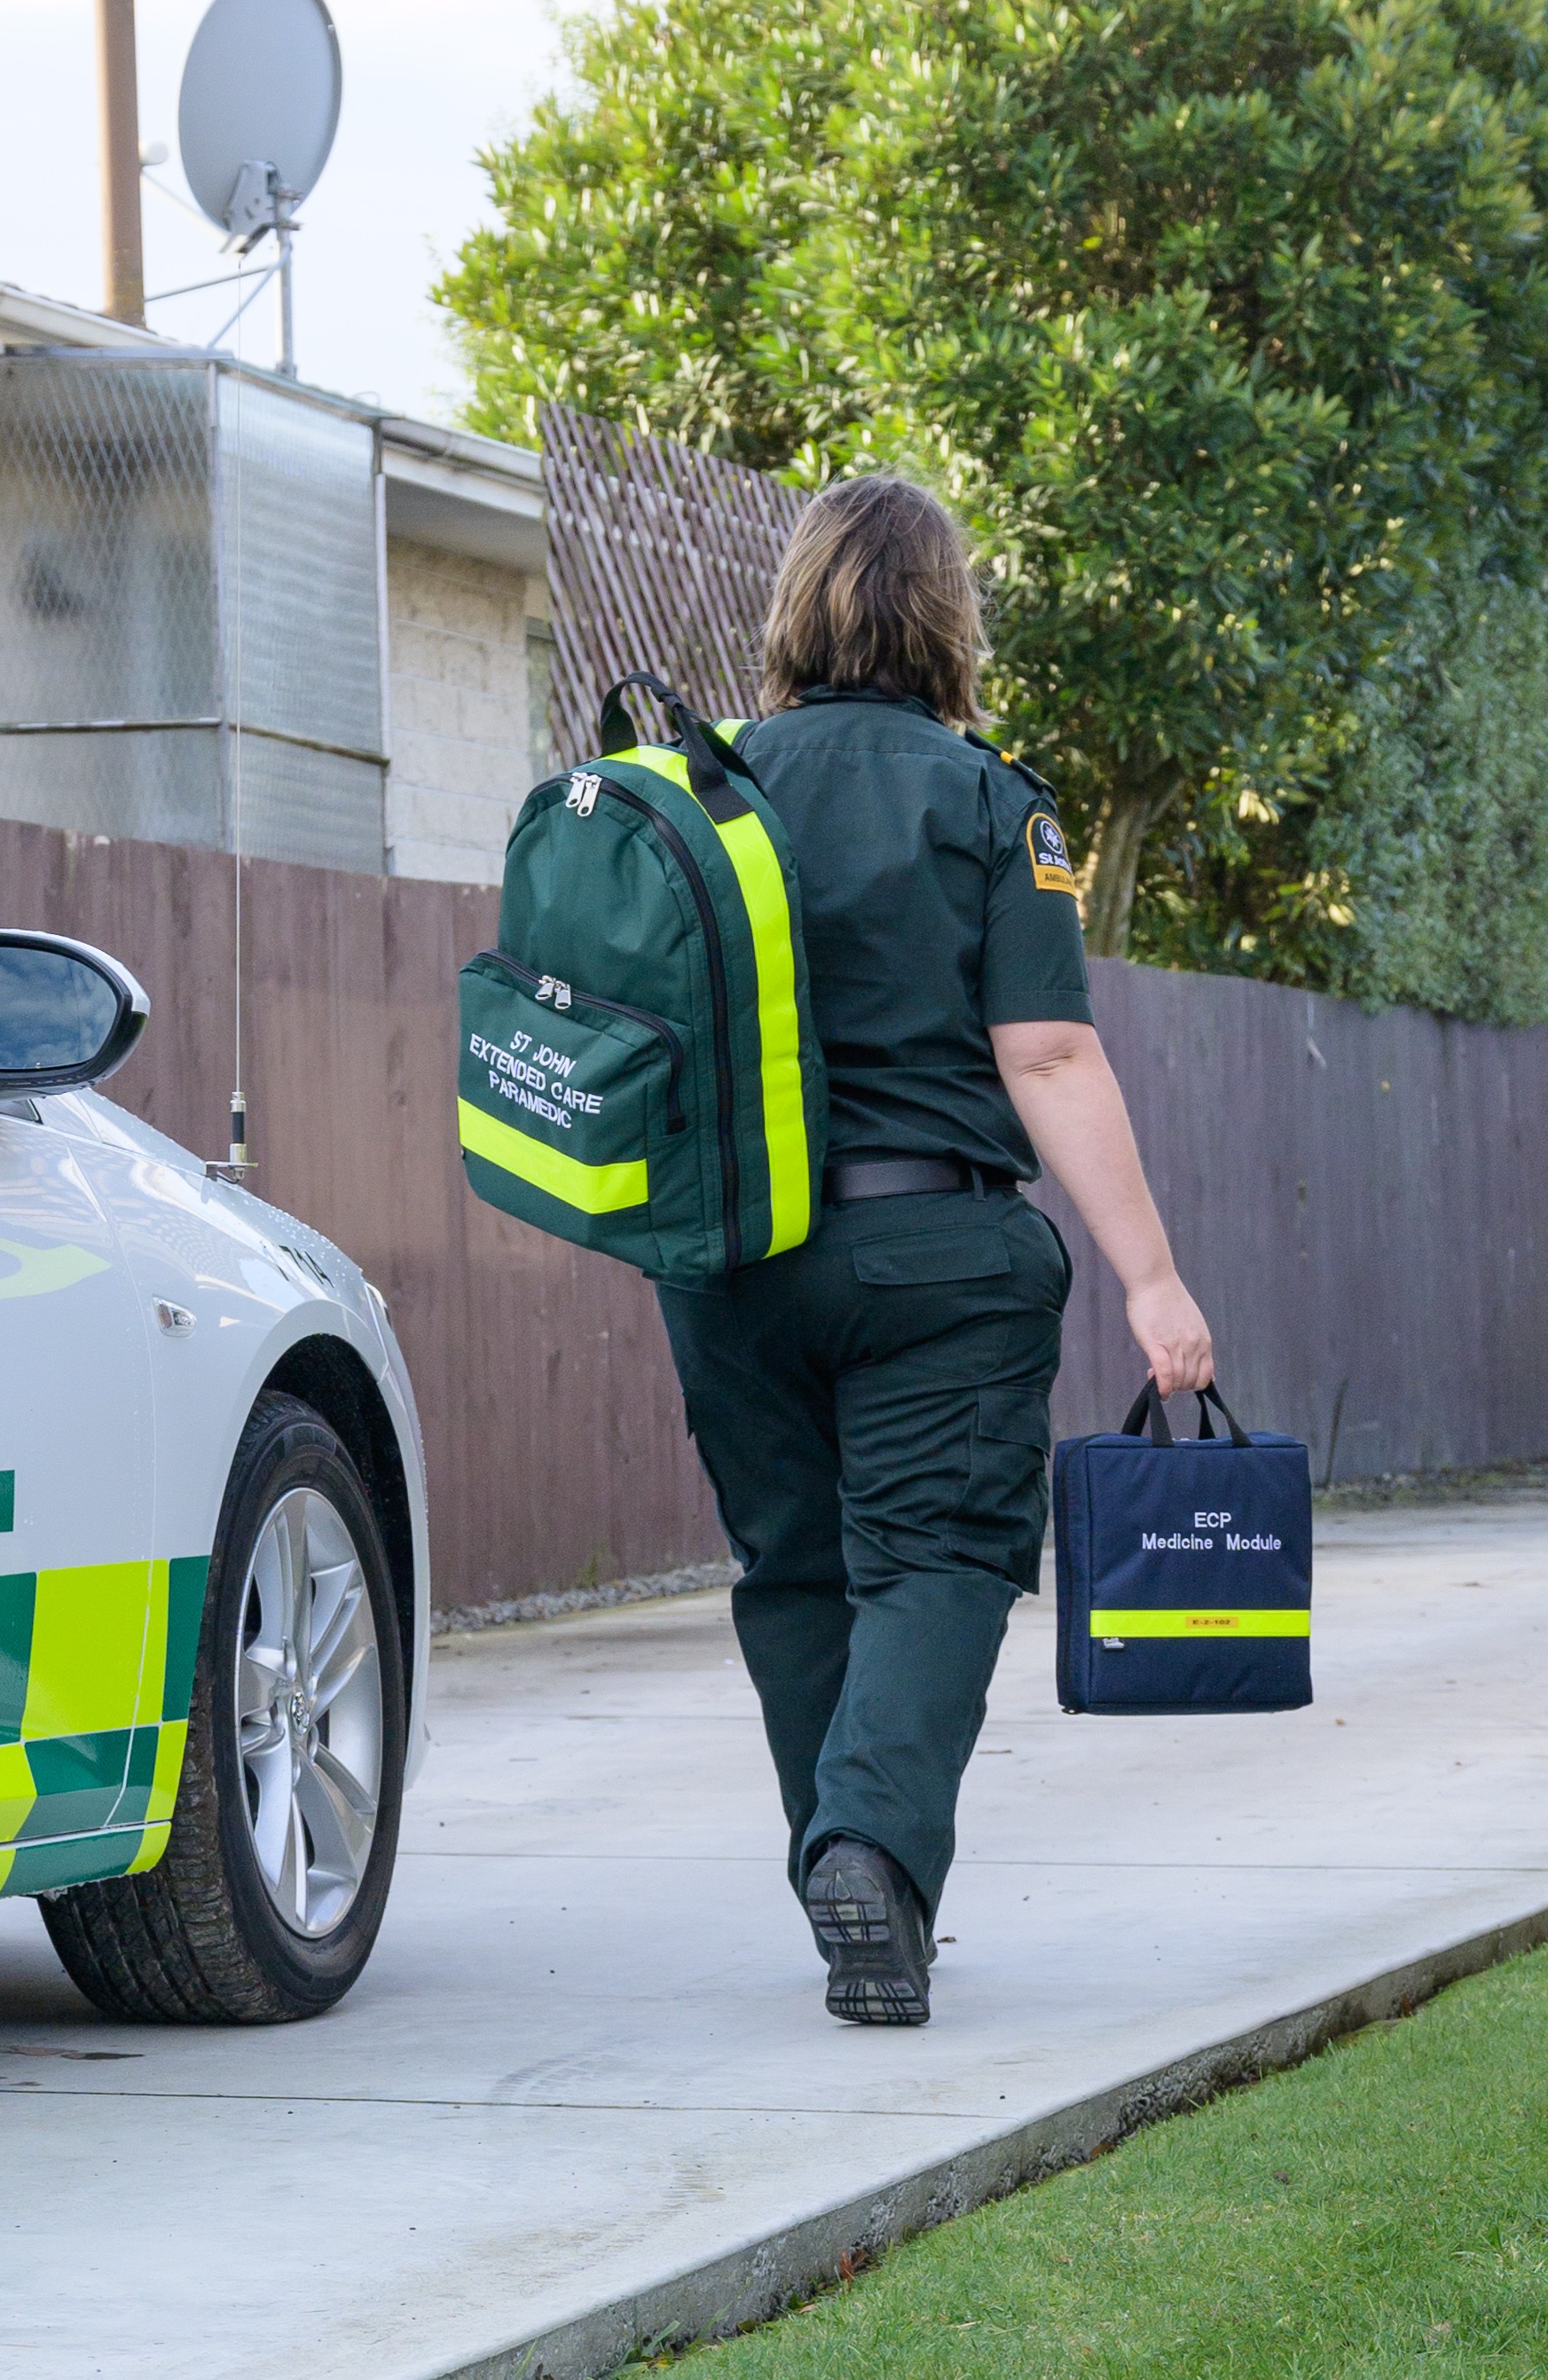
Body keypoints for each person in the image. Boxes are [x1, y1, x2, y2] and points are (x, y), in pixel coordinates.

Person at [657, 475, 1214, 2026]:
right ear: (948, 615)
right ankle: (870, 1857)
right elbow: (1045, 1057)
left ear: (798, 607)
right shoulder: (988, 802)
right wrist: (1151, 1276)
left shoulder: (701, 792)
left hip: (732, 1264)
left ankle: (855, 1878)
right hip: (933, 1256)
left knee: (797, 1568)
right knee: (940, 1557)